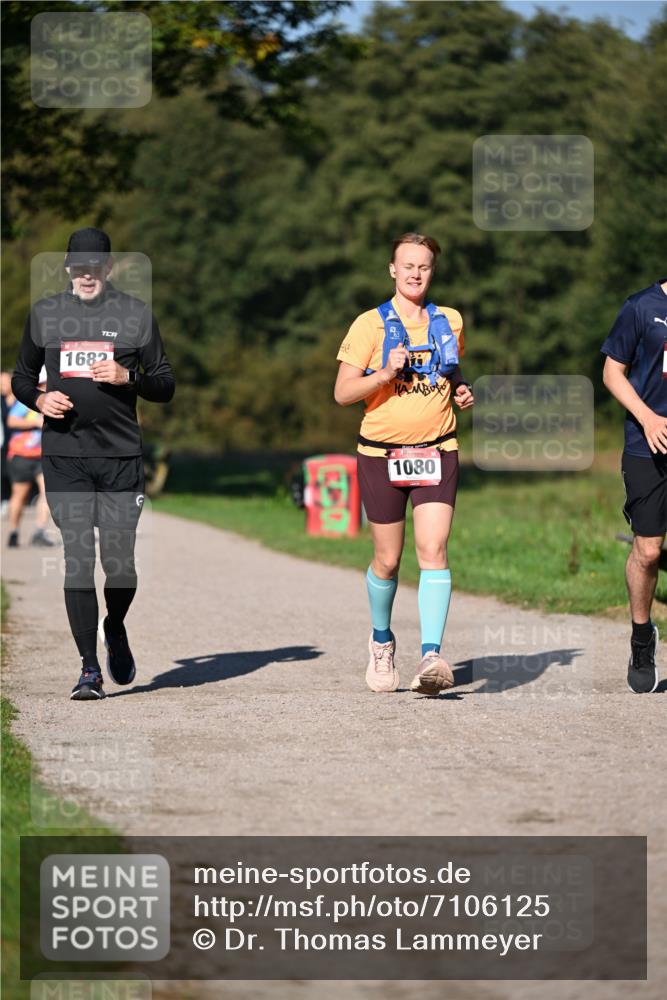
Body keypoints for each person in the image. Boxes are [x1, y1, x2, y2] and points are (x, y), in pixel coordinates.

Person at [12, 227, 175, 701]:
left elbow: (164, 383)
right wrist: (40, 400)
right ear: (67, 270)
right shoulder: (45, 315)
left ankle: (115, 626)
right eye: (77, 267)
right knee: (79, 561)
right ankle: (88, 669)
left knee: (119, 564)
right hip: (65, 457)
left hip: (121, 456)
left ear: (107, 269)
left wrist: (130, 377)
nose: (86, 275)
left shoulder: (134, 315)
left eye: (94, 267)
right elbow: (23, 377)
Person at [335, 232, 473, 696]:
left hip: (437, 448)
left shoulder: (449, 320)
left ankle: (432, 655)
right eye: (408, 266)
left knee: (433, 550)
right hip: (382, 454)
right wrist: (385, 373)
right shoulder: (368, 326)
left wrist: (461, 389)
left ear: (433, 271)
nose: (416, 273)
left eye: (425, 267)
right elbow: (343, 393)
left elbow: (451, 373)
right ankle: (381, 642)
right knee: (388, 560)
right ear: (392, 270)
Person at [601, 277, 667, 694]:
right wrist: (647, 416)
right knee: (648, 551)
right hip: (648, 443)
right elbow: (612, 372)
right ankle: (642, 638)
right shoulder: (642, 306)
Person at [6, 367, 54, 548]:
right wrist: (33, 422)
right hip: (21, 455)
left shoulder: (54, 400)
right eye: (46, 382)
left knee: (48, 492)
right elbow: (11, 421)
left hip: (42, 456)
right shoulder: (27, 400)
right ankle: (13, 531)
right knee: (20, 496)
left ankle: (40, 531)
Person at [1, 370, 16, 512]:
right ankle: (5, 499)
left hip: (19, 442)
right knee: (3, 472)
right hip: (3, 443)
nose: (3, 385)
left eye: (5, 382)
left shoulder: (20, 399)